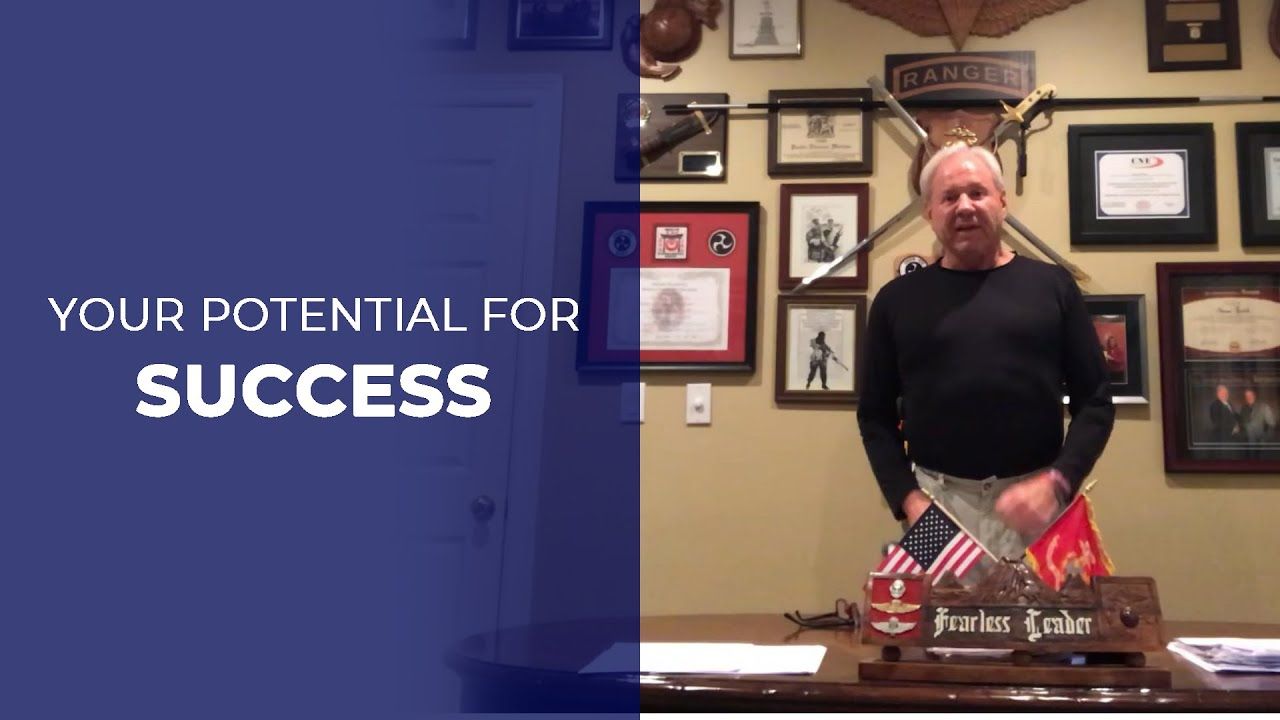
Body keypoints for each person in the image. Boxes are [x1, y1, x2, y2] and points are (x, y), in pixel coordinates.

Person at [856, 144, 1115, 560]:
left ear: (1002, 201)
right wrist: (909, 501)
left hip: (1037, 507)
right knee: (930, 622)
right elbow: (874, 416)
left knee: (1043, 623)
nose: (964, 207)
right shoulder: (895, 301)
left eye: (977, 193)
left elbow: (1096, 403)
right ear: (929, 211)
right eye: (949, 197)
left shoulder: (1053, 287)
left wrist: (1058, 482)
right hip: (933, 507)